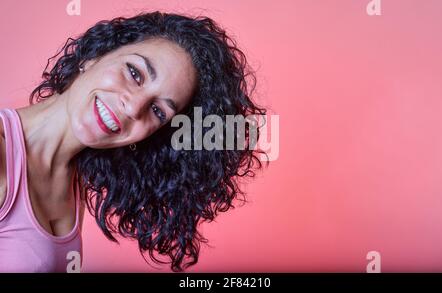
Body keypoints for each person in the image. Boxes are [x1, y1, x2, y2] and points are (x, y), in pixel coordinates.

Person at [0, 11, 267, 272]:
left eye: (158, 111)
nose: (133, 108)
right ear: (94, 56)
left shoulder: (72, 179)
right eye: (135, 73)